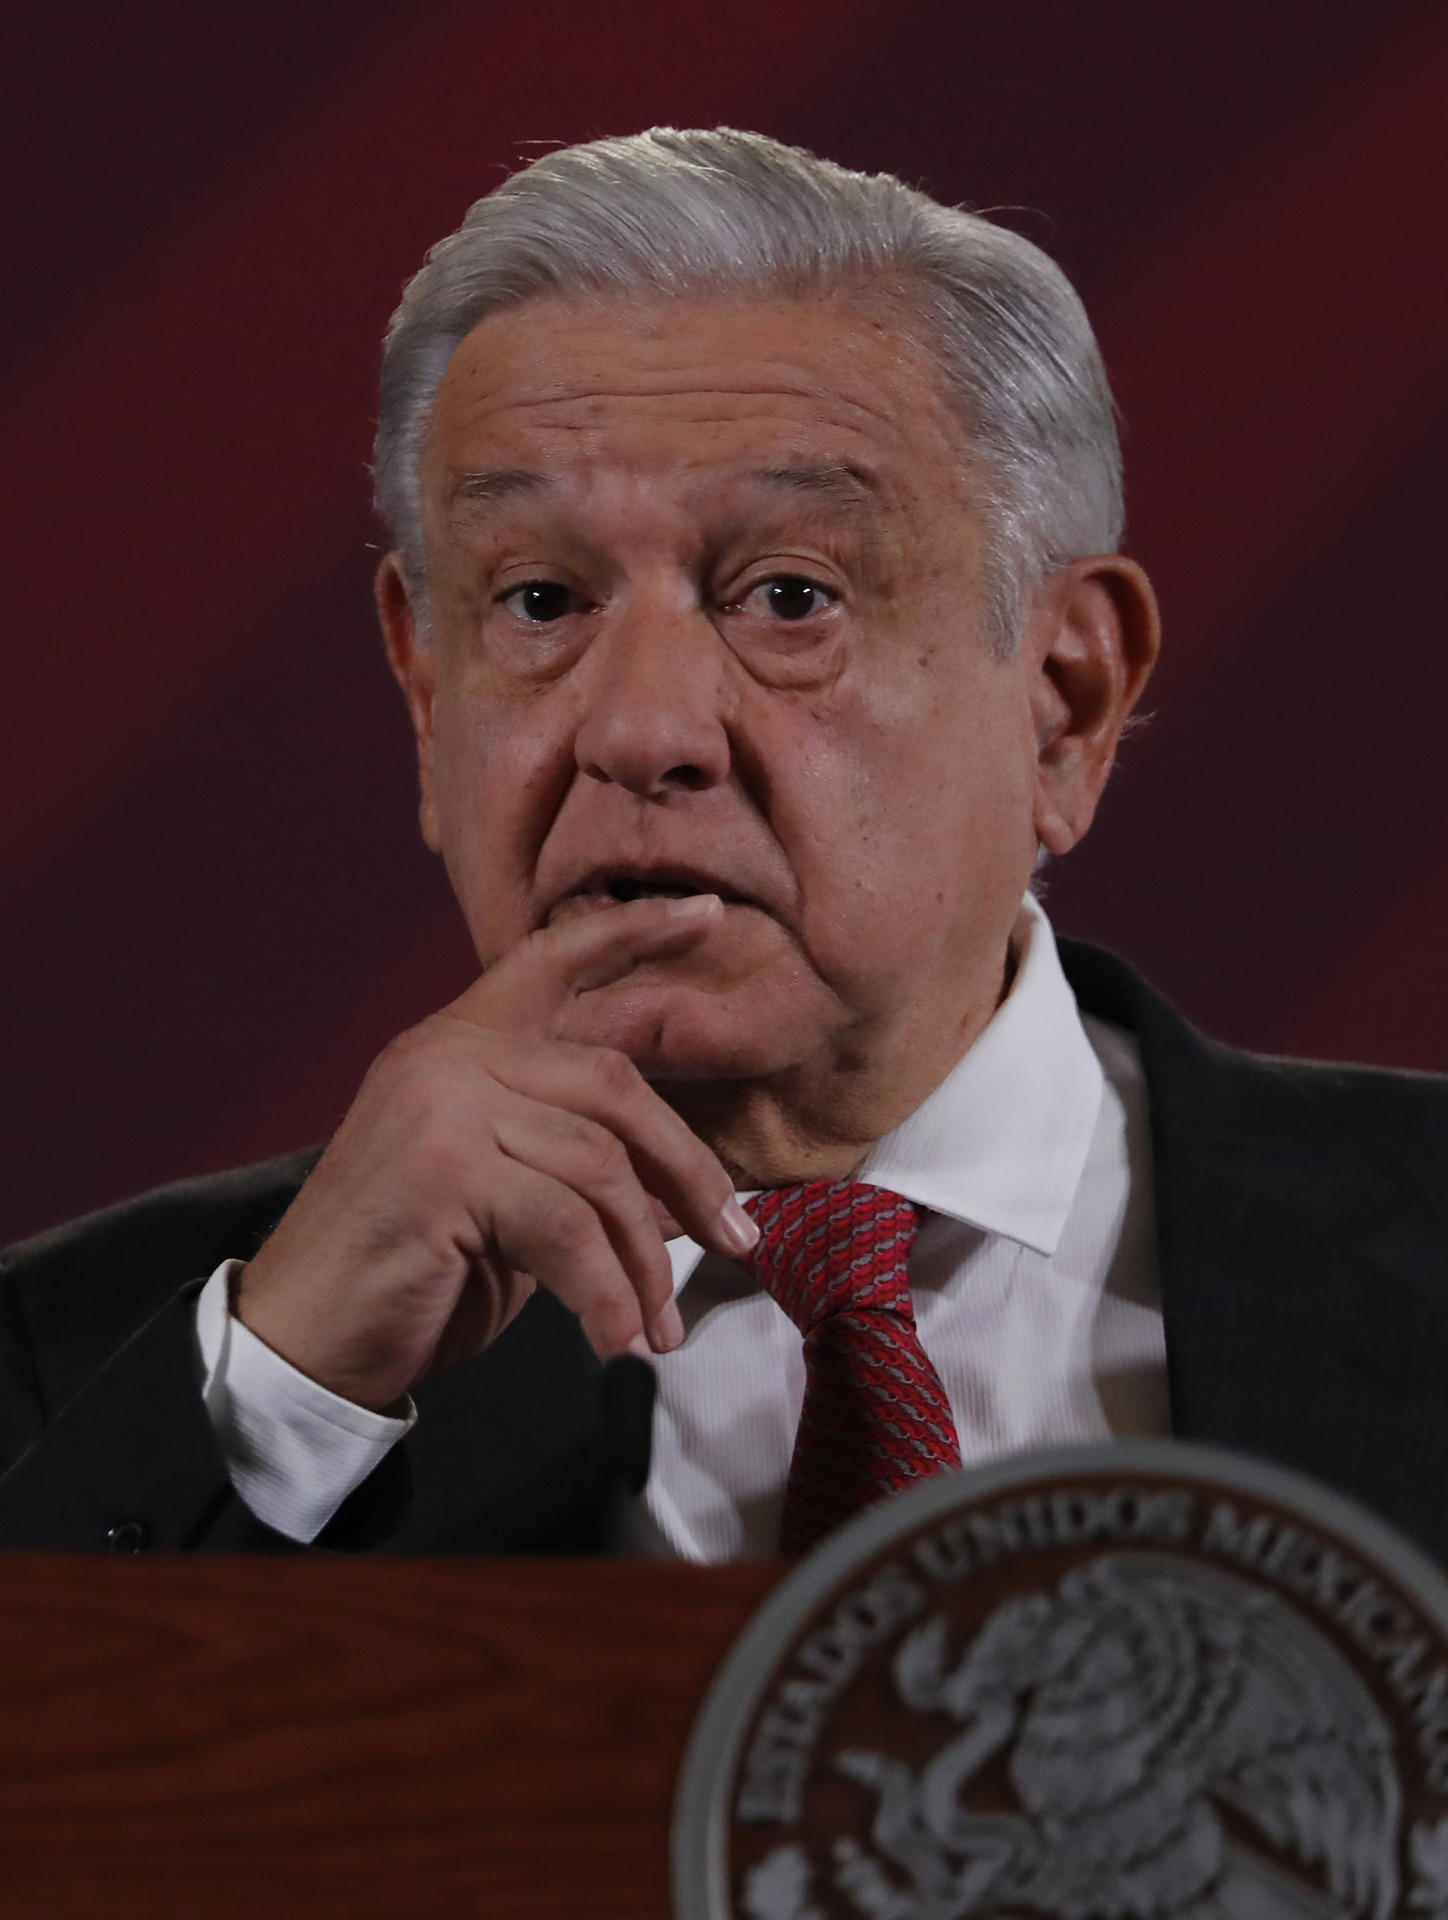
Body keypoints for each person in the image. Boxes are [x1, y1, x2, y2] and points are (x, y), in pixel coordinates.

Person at [3, 128, 1445, 1561]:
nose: (638, 729)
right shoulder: (86, 1366)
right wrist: (287, 1402)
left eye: (790, 595)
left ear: (1063, 702)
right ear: (427, 694)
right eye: (541, 603)